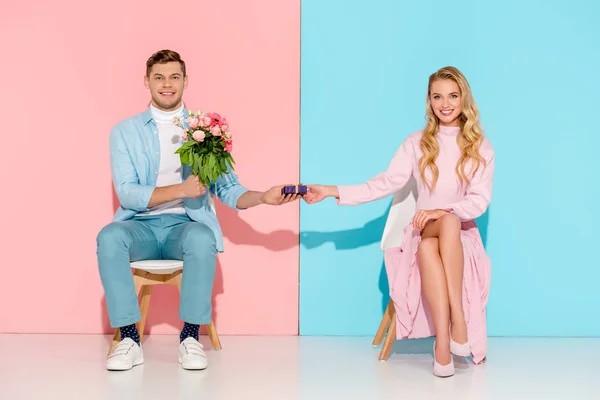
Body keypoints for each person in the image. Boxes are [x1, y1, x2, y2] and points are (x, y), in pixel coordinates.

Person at [97, 49, 301, 371]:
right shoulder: (125, 132)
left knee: (202, 237)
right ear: (147, 82)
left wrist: (264, 196)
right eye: (159, 77)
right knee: (109, 237)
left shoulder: (205, 131)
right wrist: (181, 189)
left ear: (185, 81)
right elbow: (127, 193)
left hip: (185, 225)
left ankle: (190, 338)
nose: (167, 84)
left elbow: (229, 190)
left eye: (174, 77)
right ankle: (129, 341)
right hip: (140, 227)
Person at [303, 66, 494, 377]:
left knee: (438, 236)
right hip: (420, 229)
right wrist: (331, 191)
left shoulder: (480, 147)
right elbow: (384, 183)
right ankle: (459, 322)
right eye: (437, 96)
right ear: (429, 101)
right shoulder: (417, 142)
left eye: (453, 96)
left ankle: (443, 346)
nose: (445, 104)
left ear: (464, 99)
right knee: (440, 226)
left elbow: (479, 200)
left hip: (460, 234)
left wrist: (441, 211)